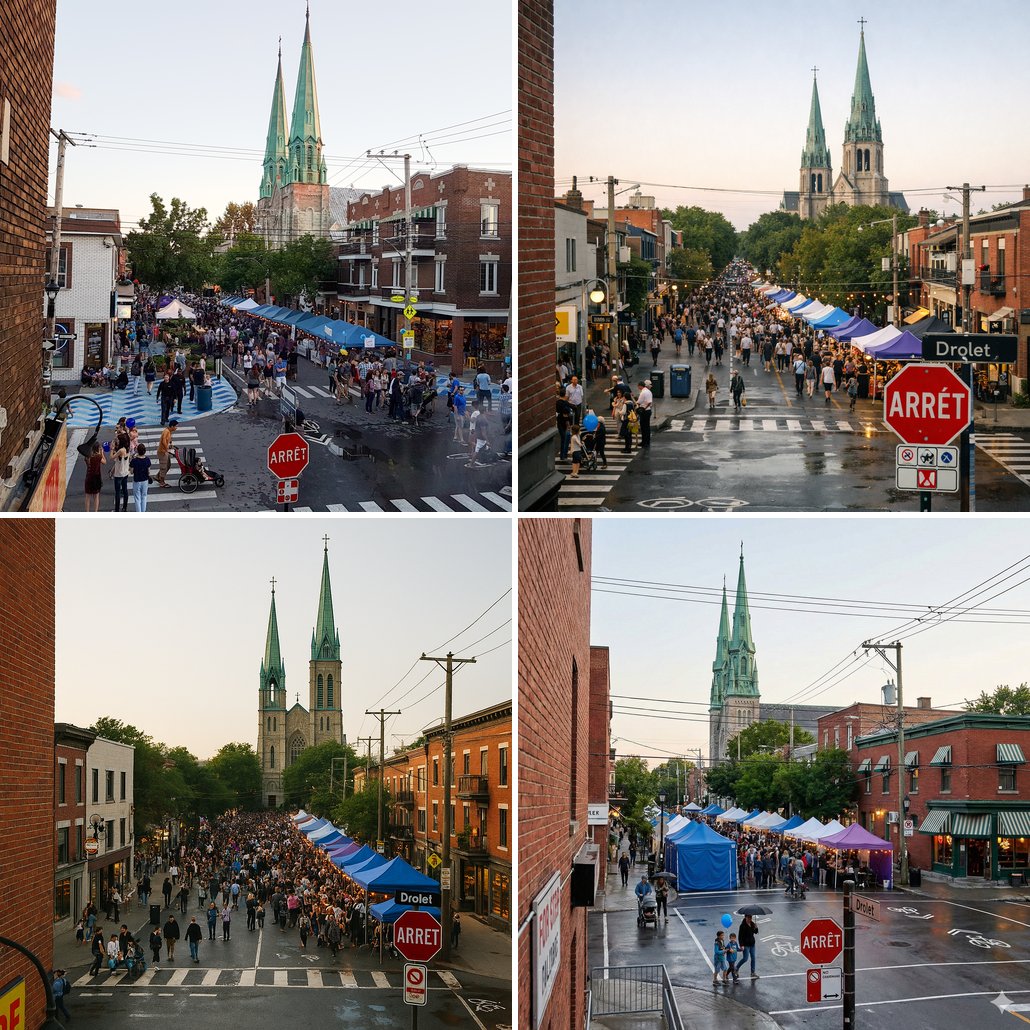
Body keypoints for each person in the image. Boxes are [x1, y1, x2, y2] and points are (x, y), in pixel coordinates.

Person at [83, 441, 105, 511]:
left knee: (87, 496)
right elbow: (104, 462)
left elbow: (88, 465)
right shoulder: (98, 457)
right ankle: (95, 512)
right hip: (96, 477)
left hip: (89, 477)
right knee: (96, 496)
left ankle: (87, 512)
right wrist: (102, 453)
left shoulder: (88, 457)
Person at [129, 444, 151, 513]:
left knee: (137, 498)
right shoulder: (147, 460)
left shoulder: (134, 461)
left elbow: (131, 472)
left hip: (137, 480)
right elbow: (149, 472)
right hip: (145, 480)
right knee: (144, 497)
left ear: (137, 451)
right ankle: (143, 512)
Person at [156, 421, 177, 488]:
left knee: (168, 465)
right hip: (162, 452)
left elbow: (169, 440)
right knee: (164, 467)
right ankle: (162, 482)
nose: (176, 428)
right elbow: (164, 441)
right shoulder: (166, 431)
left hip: (165, 451)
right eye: (176, 426)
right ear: (172, 426)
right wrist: (167, 448)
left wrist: (171, 445)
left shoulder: (169, 431)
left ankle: (157, 477)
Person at [637, 381, 653, 448]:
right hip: (648, 411)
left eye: (638, 386)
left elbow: (639, 402)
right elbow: (649, 402)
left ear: (640, 386)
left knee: (644, 427)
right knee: (646, 427)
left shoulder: (643, 392)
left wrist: (643, 408)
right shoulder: (649, 391)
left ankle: (645, 442)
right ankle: (646, 441)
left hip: (644, 411)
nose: (638, 388)